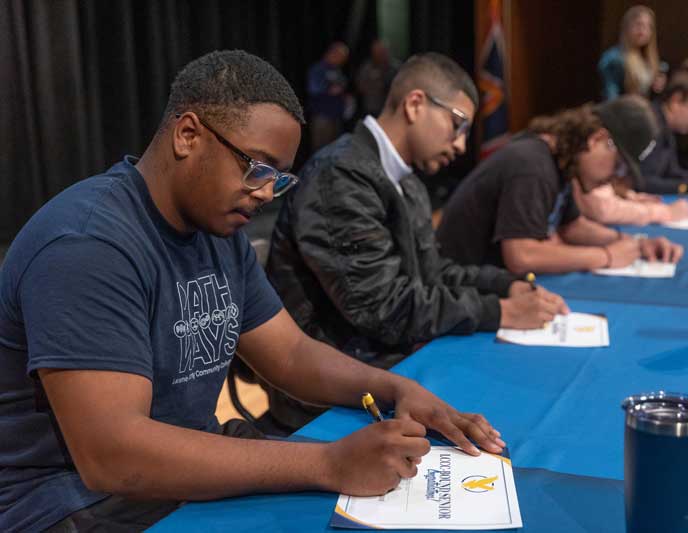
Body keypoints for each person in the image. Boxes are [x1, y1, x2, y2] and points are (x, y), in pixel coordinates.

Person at [0, 50, 506, 533]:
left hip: (169, 469)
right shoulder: (89, 244)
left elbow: (289, 353)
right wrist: (328, 462)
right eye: (257, 168)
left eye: (278, 179)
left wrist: (398, 389)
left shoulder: (218, 233)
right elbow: (114, 457)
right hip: (67, 503)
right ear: (188, 135)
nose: (265, 192)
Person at [266, 52, 568, 432]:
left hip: (385, 363)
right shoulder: (341, 175)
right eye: (457, 124)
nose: (460, 145)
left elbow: (432, 273)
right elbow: (383, 309)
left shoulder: (404, 180)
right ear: (415, 104)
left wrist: (506, 285)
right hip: (335, 392)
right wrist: (500, 312)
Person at [436, 95, 684, 274]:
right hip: (458, 288)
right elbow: (522, 255)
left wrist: (636, 244)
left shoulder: (562, 163)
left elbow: (572, 227)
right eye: (618, 165)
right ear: (597, 139)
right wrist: (606, 256)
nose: (614, 177)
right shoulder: (532, 165)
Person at [638, 57, 688, 195]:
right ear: (676, 100)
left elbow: (671, 172)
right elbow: (640, 181)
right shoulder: (648, 124)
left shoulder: (667, 129)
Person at [598, 5, 666, 101]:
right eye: (639, 25)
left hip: (642, 111)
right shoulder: (613, 58)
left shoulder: (647, 58)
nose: (643, 31)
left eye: (648, 26)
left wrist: (656, 87)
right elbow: (610, 97)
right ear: (627, 27)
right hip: (622, 112)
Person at [307, 41, 353, 151]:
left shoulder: (336, 70)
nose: (342, 61)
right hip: (322, 116)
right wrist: (329, 89)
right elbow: (313, 88)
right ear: (333, 53)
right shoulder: (318, 69)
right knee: (321, 149)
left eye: (344, 58)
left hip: (336, 115)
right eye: (341, 57)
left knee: (334, 148)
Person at [356, 39, 400, 118]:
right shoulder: (367, 67)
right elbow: (360, 86)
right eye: (377, 51)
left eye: (382, 51)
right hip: (372, 108)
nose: (380, 54)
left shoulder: (396, 67)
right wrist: (376, 86)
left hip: (392, 108)